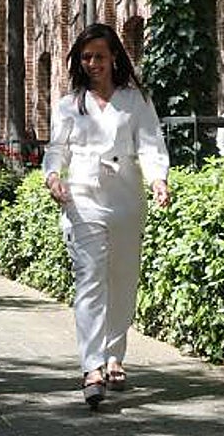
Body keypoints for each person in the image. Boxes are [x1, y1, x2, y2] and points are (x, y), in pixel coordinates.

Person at [42, 23, 170, 407]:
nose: (93, 63)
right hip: (82, 199)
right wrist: (52, 178)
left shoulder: (136, 100)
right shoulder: (69, 104)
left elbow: (150, 144)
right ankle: (92, 365)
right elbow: (56, 150)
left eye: (99, 55)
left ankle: (115, 354)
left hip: (126, 198)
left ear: (114, 56)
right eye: (86, 57)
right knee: (90, 278)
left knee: (123, 278)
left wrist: (158, 180)